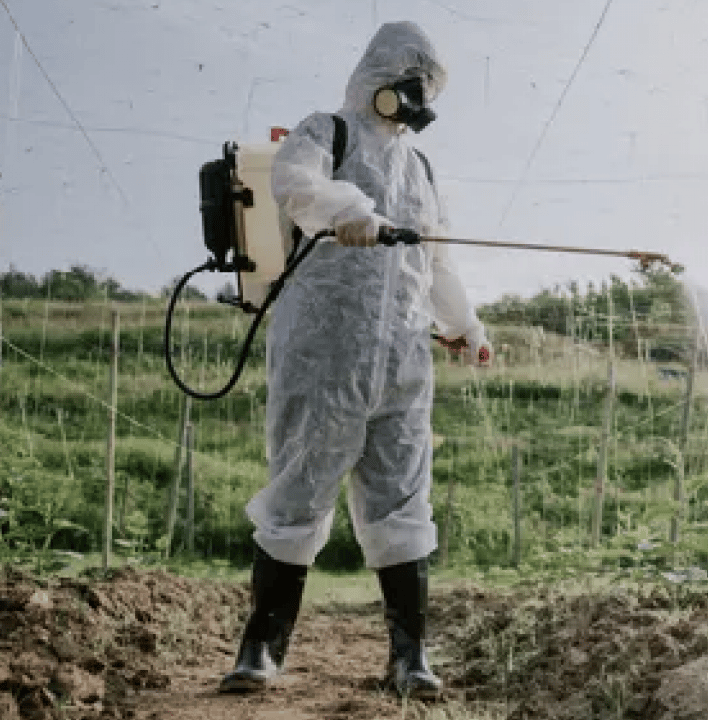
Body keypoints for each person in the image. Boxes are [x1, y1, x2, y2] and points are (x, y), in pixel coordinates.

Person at [219, 21, 489, 700]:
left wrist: (466, 327)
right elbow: (294, 183)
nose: (414, 98)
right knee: (299, 488)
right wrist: (351, 207)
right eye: (409, 82)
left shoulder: (421, 169)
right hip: (324, 354)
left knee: (403, 497)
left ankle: (410, 657)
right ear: (382, 77)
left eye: (425, 89)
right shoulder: (327, 132)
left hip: (401, 360)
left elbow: (438, 260)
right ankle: (261, 647)